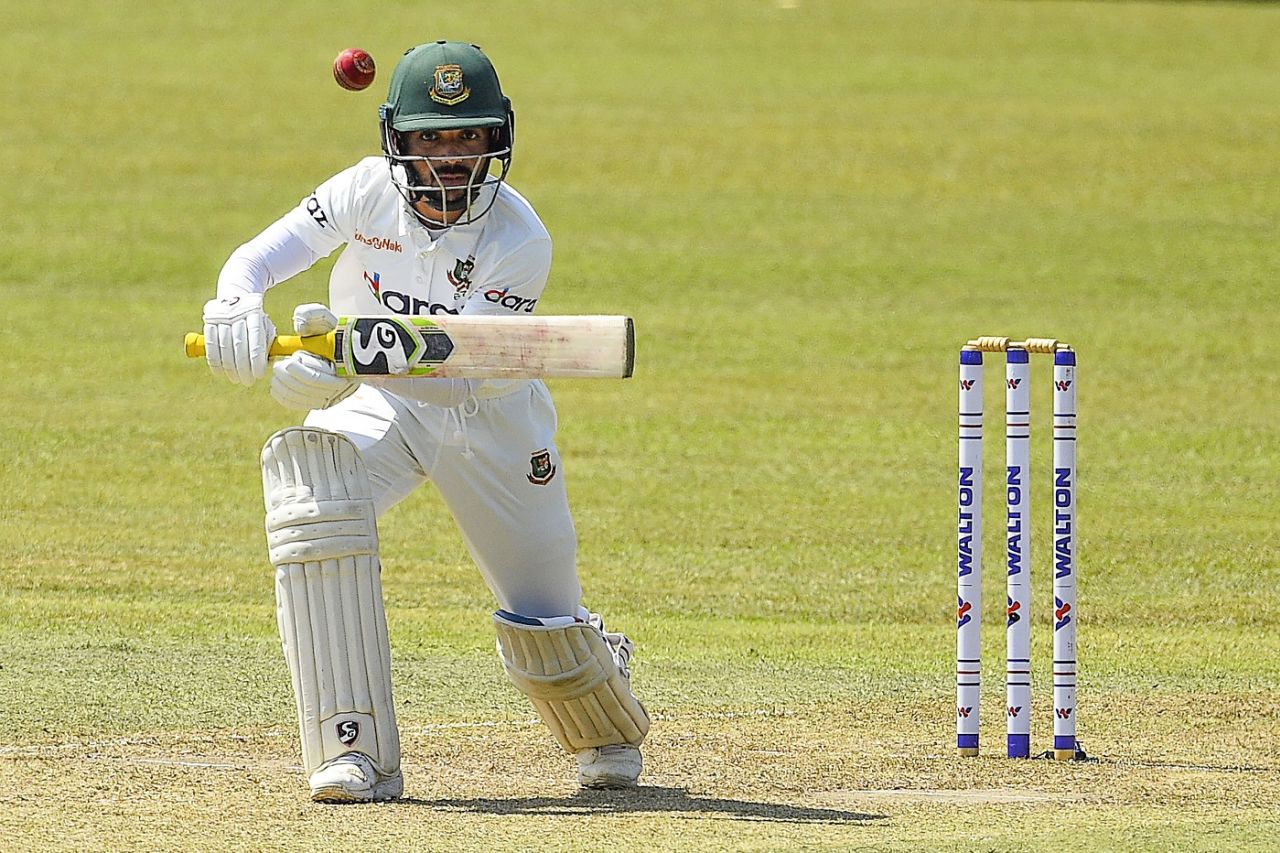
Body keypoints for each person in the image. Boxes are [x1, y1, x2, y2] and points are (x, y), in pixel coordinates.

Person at [200, 40, 649, 803]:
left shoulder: (519, 238)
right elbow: (257, 260)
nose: (448, 157)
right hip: (386, 406)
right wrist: (236, 308)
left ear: (495, 140)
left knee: (546, 630)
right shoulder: (363, 191)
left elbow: (461, 372)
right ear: (397, 140)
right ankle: (354, 748)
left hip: (494, 424)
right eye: (431, 138)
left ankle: (600, 692)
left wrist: (342, 362)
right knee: (312, 490)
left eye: (467, 137)